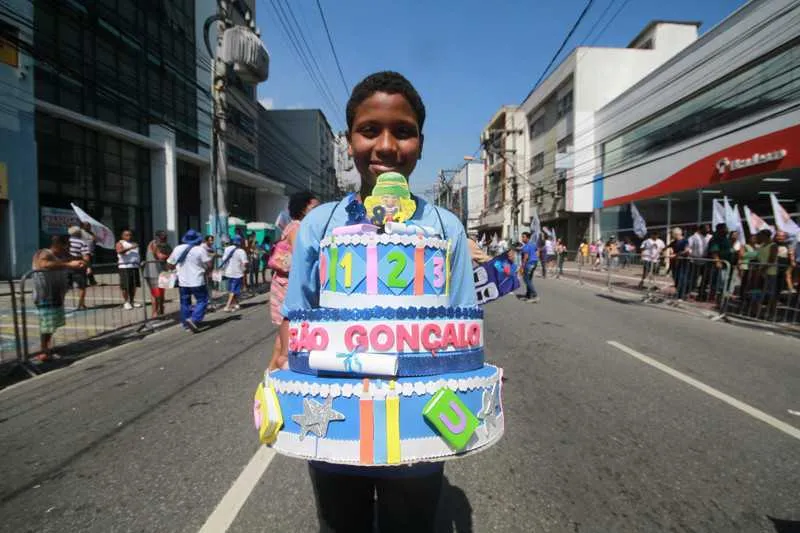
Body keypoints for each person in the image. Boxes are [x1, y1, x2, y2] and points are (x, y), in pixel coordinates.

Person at [280, 70, 475, 533]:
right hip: (335, 423)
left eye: (403, 132)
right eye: (370, 130)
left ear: (421, 143)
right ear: (349, 141)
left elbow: (464, 335)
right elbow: (295, 323)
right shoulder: (320, 225)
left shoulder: (446, 229)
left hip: (418, 429)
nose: (386, 146)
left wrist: (467, 409)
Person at [268, 190, 319, 371]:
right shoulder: (298, 228)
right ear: (303, 208)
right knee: (286, 334)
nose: (317, 211)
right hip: (288, 285)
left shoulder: (292, 226)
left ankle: (271, 374)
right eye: (314, 207)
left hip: (284, 282)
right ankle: (271, 376)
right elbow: (301, 259)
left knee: (284, 336)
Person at [31, 235, 85, 361]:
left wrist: (82, 261)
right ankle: (44, 351)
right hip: (44, 295)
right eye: (68, 245)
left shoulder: (61, 255)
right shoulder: (43, 253)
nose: (69, 248)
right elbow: (44, 264)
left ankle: (48, 348)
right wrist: (69, 264)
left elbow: (77, 260)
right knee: (46, 324)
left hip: (55, 295)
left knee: (52, 324)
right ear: (60, 244)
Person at [167, 229, 213, 332]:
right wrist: (207, 271)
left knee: (185, 303)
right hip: (197, 280)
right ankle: (194, 319)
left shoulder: (177, 248)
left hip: (183, 281)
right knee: (203, 300)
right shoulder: (200, 250)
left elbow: (169, 264)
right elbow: (209, 264)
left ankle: (185, 324)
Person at [144, 230, 172, 318]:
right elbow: (160, 256)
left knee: (162, 293)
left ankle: (161, 312)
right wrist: (171, 255)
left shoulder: (164, 245)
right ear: (157, 237)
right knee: (156, 294)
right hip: (152, 273)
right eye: (162, 238)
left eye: (165, 237)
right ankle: (155, 314)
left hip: (162, 272)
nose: (164, 239)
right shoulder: (153, 244)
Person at [116, 229, 142, 310]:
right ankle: (126, 302)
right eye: (127, 235)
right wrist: (130, 248)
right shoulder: (120, 243)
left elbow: (137, 255)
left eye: (130, 235)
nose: (129, 236)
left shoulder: (134, 244)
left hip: (134, 267)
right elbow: (119, 251)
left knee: (133, 286)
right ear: (122, 236)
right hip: (125, 267)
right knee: (125, 286)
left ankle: (132, 301)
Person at [222, 235, 248, 312]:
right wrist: (244, 270)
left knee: (232, 289)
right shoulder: (241, 251)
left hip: (228, 272)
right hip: (237, 273)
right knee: (233, 290)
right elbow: (245, 263)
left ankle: (236, 304)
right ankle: (227, 306)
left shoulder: (227, 249)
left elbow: (224, 259)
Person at [707, 223, 733, 301]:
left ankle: (720, 297)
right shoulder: (716, 238)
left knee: (723, 282)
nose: (728, 230)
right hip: (720, 264)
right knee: (717, 282)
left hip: (726, 264)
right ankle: (714, 298)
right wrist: (717, 261)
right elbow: (714, 251)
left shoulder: (725, 238)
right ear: (720, 229)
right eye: (726, 228)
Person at [67, 226, 90, 310]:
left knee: (63, 287)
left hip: (66, 265)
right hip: (78, 266)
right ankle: (81, 304)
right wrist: (87, 266)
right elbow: (86, 257)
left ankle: (59, 304)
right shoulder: (82, 242)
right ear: (78, 233)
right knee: (82, 286)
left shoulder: (65, 242)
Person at [520, 231, 540, 302]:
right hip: (534, 263)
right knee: (529, 279)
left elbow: (526, 257)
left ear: (527, 238)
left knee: (526, 279)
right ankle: (528, 295)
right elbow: (537, 251)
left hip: (529, 263)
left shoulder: (526, 246)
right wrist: (536, 259)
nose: (522, 238)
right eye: (522, 237)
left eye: (523, 237)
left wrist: (522, 266)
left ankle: (535, 296)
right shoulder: (533, 244)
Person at [80, 221, 99, 286]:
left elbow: (95, 241)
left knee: (90, 267)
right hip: (83, 253)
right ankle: (84, 282)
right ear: (83, 226)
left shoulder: (91, 233)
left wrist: (94, 238)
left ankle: (92, 281)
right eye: (87, 225)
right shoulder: (80, 232)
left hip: (91, 252)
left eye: (89, 226)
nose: (89, 227)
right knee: (84, 267)